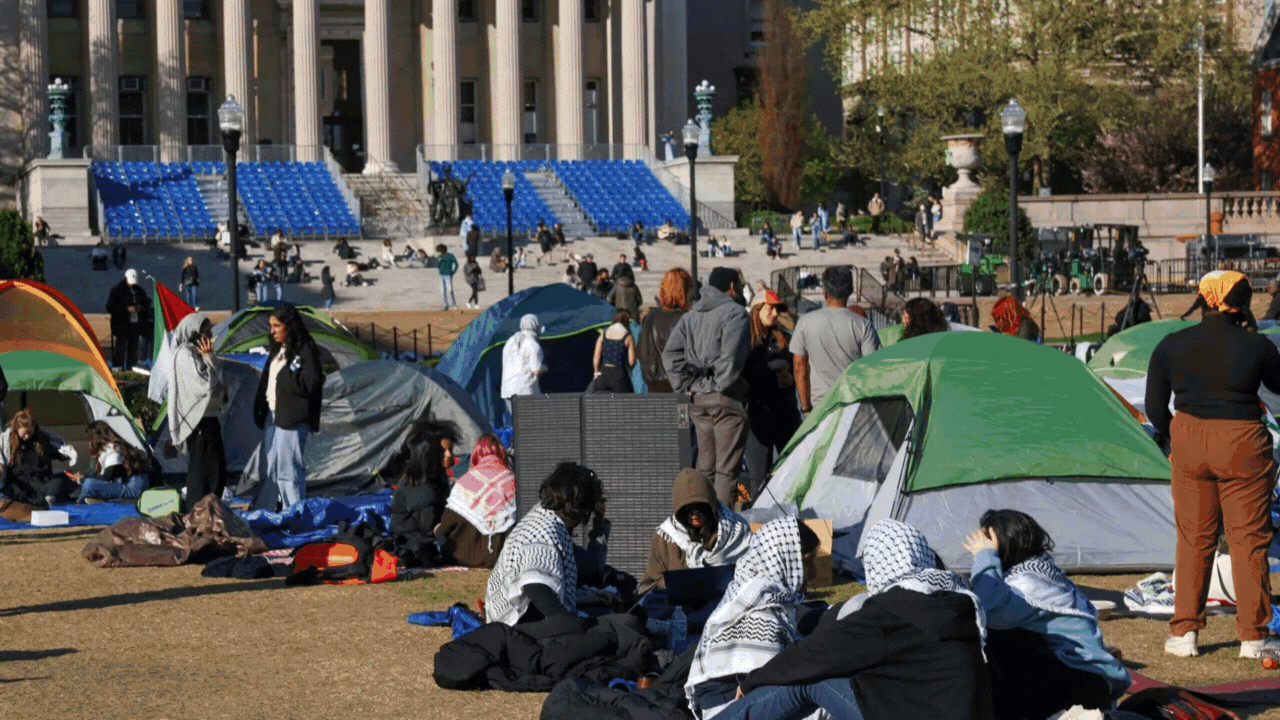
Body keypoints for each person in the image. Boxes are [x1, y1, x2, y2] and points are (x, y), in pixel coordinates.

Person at [716, 518, 992, 720]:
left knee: (812, 678)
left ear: (878, 563)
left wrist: (752, 682)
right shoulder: (958, 599)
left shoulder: (893, 608)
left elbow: (816, 654)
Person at [1147, 270, 1280, 659]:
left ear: (1204, 300)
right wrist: (1252, 336)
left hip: (1189, 438)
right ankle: (1253, 638)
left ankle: (1185, 633)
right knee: (1248, 541)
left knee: (1194, 539)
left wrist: (1175, 436)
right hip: (1243, 441)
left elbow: (1155, 406)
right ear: (1242, 305)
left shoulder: (1171, 344)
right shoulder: (1256, 345)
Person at [963, 509, 1129, 719]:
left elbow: (986, 610)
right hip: (1082, 679)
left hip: (1084, 685)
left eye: (989, 543)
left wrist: (985, 556)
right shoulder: (1039, 571)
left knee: (998, 641)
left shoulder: (1029, 583)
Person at [685, 517, 821, 718]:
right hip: (728, 710)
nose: (813, 573)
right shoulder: (761, 610)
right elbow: (773, 682)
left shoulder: (748, 591)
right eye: (807, 562)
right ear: (784, 559)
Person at [662, 267, 752, 504]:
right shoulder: (735, 313)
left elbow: (670, 355)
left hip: (698, 398)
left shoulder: (691, 315)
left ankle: (700, 517)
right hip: (725, 396)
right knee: (726, 471)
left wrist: (686, 385)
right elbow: (732, 360)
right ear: (732, 287)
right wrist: (717, 384)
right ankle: (720, 522)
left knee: (706, 467)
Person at [485, 462, 604, 626]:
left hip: (522, 622)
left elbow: (590, 568)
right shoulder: (544, 530)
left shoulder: (547, 519)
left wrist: (586, 597)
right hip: (516, 628)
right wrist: (572, 625)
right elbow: (535, 586)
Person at [252, 304, 323, 511]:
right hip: (273, 415)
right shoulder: (278, 348)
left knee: (289, 471)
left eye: (277, 326)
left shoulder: (305, 349)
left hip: (292, 418)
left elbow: (312, 383)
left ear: (289, 326)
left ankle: (296, 513)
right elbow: (268, 381)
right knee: (272, 469)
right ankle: (275, 511)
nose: (272, 331)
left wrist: (287, 376)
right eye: (271, 326)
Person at [641, 468, 752, 593]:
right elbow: (650, 583)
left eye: (700, 508)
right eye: (688, 510)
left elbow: (754, 571)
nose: (694, 515)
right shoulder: (666, 539)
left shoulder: (736, 531)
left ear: (712, 507)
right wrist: (673, 584)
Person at [790, 266, 881, 414]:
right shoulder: (863, 325)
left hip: (820, 407)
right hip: (853, 405)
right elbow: (872, 368)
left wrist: (806, 408)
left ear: (825, 292)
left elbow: (799, 367)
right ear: (850, 290)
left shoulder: (805, 322)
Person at [166, 313, 228, 506]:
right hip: (199, 420)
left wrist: (209, 358)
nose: (209, 337)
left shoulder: (197, 354)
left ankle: (208, 511)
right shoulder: (185, 355)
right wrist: (209, 360)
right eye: (205, 332)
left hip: (209, 418)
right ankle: (197, 513)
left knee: (216, 472)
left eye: (210, 332)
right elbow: (207, 386)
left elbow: (217, 380)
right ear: (193, 333)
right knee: (204, 474)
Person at [743, 290, 802, 492]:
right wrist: (769, 370)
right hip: (757, 416)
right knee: (759, 482)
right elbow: (743, 375)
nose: (775, 314)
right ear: (757, 309)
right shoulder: (745, 340)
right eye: (770, 308)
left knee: (792, 476)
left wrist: (788, 376)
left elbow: (797, 370)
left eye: (777, 309)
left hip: (786, 413)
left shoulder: (785, 338)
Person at [435, 434, 516, 569]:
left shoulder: (465, 481)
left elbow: (447, 525)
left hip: (464, 556)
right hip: (502, 555)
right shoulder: (511, 480)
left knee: (438, 529)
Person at [388, 420, 458, 568]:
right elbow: (428, 528)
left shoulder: (436, 479)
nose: (449, 455)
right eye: (444, 451)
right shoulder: (421, 487)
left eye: (451, 450)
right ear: (429, 452)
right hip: (414, 547)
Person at [0, 409, 78, 507]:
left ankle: (48, 498)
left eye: (30, 433)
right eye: (24, 434)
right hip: (20, 484)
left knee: (62, 480)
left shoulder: (42, 439)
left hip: (42, 482)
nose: (27, 436)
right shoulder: (7, 443)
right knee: (10, 491)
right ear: (16, 429)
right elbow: (2, 465)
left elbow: (58, 452)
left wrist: (66, 453)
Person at [639, 268, 693, 393]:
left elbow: (641, 353)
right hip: (680, 386)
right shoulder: (686, 319)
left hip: (654, 385)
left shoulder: (650, 317)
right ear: (683, 291)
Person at [69, 422, 149, 503]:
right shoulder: (107, 449)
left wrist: (82, 480)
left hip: (133, 490)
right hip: (125, 486)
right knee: (86, 485)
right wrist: (83, 477)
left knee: (88, 484)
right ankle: (86, 501)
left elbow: (107, 477)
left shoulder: (113, 449)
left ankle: (79, 503)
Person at [500, 314, 546, 421]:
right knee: (530, 422)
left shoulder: (510, 341)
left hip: (508, 390)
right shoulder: (533, 345)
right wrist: (545, 367)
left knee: (517, 423)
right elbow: (536, 370)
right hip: (525, 392)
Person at [106, 268, 151, 370]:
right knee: (120, 349)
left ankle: (131, 368)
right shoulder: (117, 291)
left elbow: (146, 303)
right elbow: (110, 307)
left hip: (135, 326)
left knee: (133, 349)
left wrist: (140, 308)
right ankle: (119, 368)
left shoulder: (139, 291)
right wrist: (126, 309)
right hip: (121, 325)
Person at [593, 309, 636, 393]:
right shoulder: (628, 337)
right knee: (627, 399)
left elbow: (596, 356)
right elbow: (631, 361)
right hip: (619, 374)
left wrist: (596, 372)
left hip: (603, 374)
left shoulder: (603, 334)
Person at [434, 243, 458, 310]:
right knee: (443, 291)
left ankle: (453, 304)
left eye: (440, 250)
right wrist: (439, 262)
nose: (440, 252)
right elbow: (437, 265)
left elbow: (456, 264)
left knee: (450, 290)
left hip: (448, 274)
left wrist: (453, 271)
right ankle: (445, 305)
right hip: (441, 275)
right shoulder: (439, 256)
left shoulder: (450, 255)